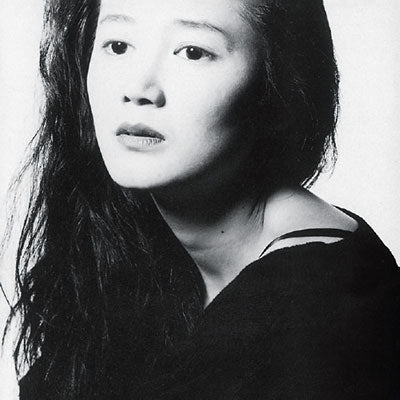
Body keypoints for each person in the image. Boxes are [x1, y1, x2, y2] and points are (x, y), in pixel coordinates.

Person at [5, 0, 399, 398]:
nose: (138, 90)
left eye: (193, 52)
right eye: (118, 46)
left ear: (276, 80)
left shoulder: (319, 310)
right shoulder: (128, 239)